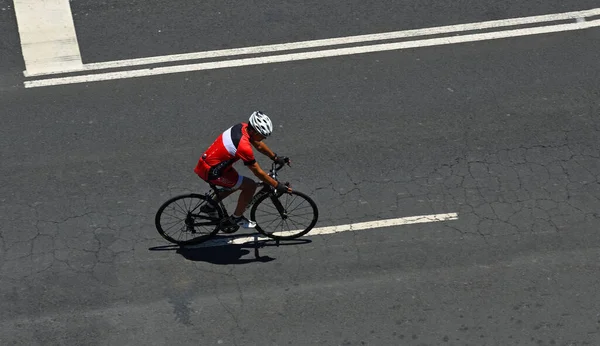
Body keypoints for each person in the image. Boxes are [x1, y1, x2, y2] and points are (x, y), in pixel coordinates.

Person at [194, 111, 292, 229]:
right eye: (262, 135)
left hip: (214, 165)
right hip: (212, 171)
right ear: (254, 131)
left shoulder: (242, 127)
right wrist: (277, 185)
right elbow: (257, 172)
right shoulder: (243, 147)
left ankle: (209, 207)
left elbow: (258, 144)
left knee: (235, 184)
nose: (264, 138)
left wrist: (275, 157)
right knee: (250, 186)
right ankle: (237, 218)